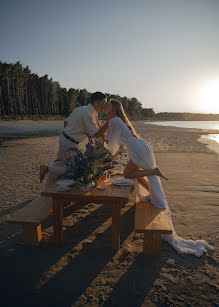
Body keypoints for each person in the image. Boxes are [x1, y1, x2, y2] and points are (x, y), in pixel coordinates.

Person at [105, 99, 214, 256]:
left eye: (108, 106)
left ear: (114, 109)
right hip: (139, 145)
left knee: (127, 174)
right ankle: (152, 185)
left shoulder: (114, 120)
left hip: (136, 148)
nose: (106, 108)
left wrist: (101, 131)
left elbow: (111, 143)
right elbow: (116, 140)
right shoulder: (118, 120)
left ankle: (154, 171)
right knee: (132, 175)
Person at [40, 92, 109, 185]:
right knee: (76, 171)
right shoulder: (88, 114)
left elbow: (66, 122)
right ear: (96, 102)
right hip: (69, 142)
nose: (105, 105)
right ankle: (47, 168)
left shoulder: (81, 109)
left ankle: (47, 189)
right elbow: (97, 134)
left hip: (65, 138)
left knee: (58, 163)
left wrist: (71, 132)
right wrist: (109, 122)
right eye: (104, 103)